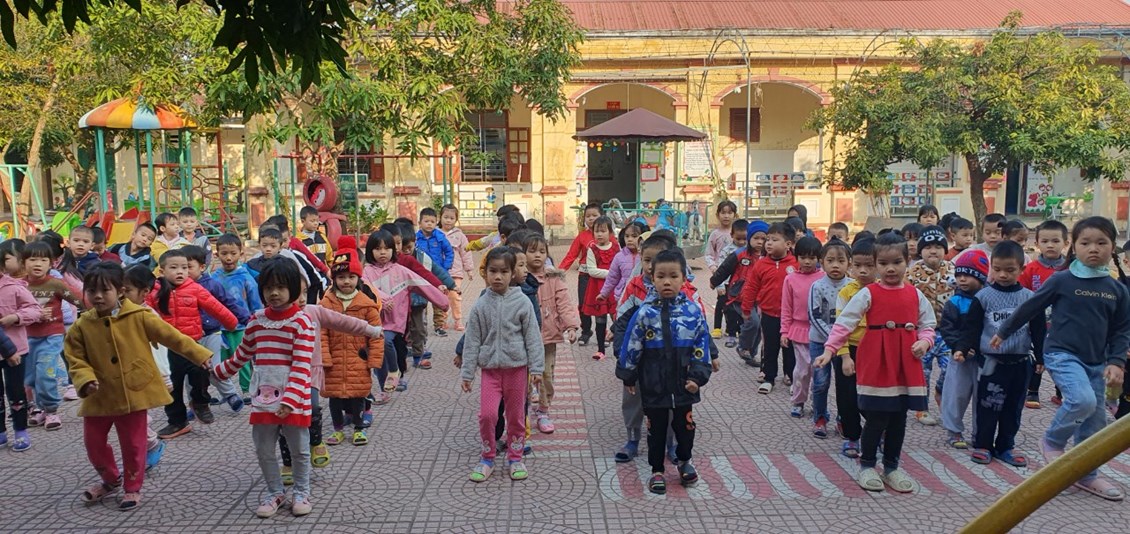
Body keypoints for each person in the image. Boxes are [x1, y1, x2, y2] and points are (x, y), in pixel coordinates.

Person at [992, 216, 1130, 501]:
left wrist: (1117, 362)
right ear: (1074, 246)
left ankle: (1087, 475)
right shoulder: (1062, 280)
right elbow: (1031, 306)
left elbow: (1121, 330)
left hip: (1097, 362)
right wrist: (1004, 331)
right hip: (1062, 354)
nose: (1094, 248)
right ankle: (1053, 440)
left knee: (1095, 423)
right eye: (1086, 243)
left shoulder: (1117, 289)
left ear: (1112, 247)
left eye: (1101, 243)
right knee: (1082, 400)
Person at [65, 262, 213, 511]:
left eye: (105, 290)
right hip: (98, 395)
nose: (98, 296)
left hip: (132, 393)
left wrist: (198, 354)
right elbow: (75, 357)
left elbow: (172, 336)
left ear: (120, 291)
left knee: (133, 444)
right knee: (93, 443)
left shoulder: (139, 316)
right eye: (91, 291)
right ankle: (111, 479)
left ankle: (132, 487)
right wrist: (84, 379)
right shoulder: (82, 325)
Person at [815, 233, 936, 493]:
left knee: (899, 418)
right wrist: (829, 350)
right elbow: (844, 323)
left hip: (905, 363)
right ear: (876, 264)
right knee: (877, 416)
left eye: (897, 262)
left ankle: (892, 467)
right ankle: (867, 465)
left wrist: (925, 342)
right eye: (883, 263)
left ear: (907, 261)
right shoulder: (868, 293)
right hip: (877, 362)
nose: (890, 269)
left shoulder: (915, 294)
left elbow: (928, 325)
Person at [213, 258, 318, 517]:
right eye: (269, 287)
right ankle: (275, 492)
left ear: (294, 288)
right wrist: (217, 372)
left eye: (281, 287)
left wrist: (290, 401)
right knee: (263, 449)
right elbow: (242, 355)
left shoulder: (302, 323)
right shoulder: (256, 321)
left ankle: (301, 492)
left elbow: (301, 365)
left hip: (294, 399)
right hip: (263, 397)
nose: (274, 293)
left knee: (299, 450)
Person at [617, 249, 712, 495]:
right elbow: (633, 345)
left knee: (685, 428)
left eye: (673, 276)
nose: (667, 281)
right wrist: (629, 375)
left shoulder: (692, 312)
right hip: (654, 384)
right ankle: (657, 470)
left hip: (684, 384)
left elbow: (701, 346)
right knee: (656, 430)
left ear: (684, 278)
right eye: (661, 276)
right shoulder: (645, 313)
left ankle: (685, 461)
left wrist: (697, 376)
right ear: (652, 278)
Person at [460, 247, 545, 483]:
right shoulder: (480, 305)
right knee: (488, 415)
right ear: (485, 273)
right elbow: (472, 340)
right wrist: (467, 373)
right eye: (493, 271)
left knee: (516, 416)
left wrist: (537, 368)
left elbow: (533, 338)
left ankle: (515, 457)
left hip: (517, 371)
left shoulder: (522, 302)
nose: (498, 276)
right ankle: (487, 456)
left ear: (512, 274)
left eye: (504, 271)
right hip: (490, 372)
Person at [961, 240, 1045, 467]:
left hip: (1020, 361)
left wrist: (1041, 356)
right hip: (991, 363)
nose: (1002, 275)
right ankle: (983, 444)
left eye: (1009, 270)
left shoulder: (1029, 298)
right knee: (987, 405)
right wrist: (964, 348)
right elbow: (972, 327)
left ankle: (1006, 445)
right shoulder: (983, 297)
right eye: (997, 269)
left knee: (1013, 407)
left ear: (1022, 269)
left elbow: (1038, 329)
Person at [148, 249, 238, 439]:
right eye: (174, 268)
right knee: (172, 387)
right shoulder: (155, 291)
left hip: (192, 345)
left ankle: (200, 403)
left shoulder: (194, 288)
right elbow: (144, 311)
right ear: (162, 271)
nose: (180, 272)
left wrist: (232, 323)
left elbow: (215, 306)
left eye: (185, 267)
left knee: (201, 374)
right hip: (167, 349)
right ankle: (177, 422)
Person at [362, 230, 449, 394]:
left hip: (395, 321)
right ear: (370, 251)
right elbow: (366, 288)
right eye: (378, 249)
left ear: (393, 250)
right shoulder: (367, 271)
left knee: (386, 341)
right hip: (374, 321)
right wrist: (383, 299)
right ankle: (384, 390)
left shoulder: (401, 270)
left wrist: (442, 301)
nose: (382, 252)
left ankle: (394, 370)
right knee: (377, 356)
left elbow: (422, 284)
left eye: (387, 248)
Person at [320, 244, 384, 447]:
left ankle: (358, 428)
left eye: (351, 277)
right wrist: (324, 356)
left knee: (358, 394)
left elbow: (376, 334)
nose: (346, 281)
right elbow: (320, 332)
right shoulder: (326, 304)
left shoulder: (366, 304)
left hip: (359, 359)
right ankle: (338, 429)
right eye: (341, 277)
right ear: (334, 279)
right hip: (334, 360)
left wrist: (374, 359)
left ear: (358, 278)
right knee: (334, 396)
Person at [22, 241, 83, 431]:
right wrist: (31, 314)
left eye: (43, 260)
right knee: (30, 378)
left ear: (52, 263)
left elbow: (79, 300)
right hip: (26, 337)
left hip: (52, 335)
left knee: (45, 372)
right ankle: (37, 408)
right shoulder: (20, 285)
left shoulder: (55, 283)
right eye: (33, 259)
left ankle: (50, 410)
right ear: (24, 262)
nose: (37, 264)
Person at [183, 245, 250, 412]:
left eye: (188, 267)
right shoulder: (176, 289)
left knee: (213, 367)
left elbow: (229, 303)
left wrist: (247, 320)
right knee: (190, 373)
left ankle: (230, 394)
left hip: (212, 332)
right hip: (188, 338)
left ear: (202, 267)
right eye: (181, 267)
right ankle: (195, 404)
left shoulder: (212, 285)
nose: (184, 271)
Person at [121, 265, 173, 470]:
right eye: (120, 289)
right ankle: (146, 447)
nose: (121, 294)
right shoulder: (118, 312)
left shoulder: (147, 316)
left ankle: (151, 445)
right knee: (129, 415)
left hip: (142, 375)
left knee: (135, 414)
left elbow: (159, 349)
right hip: (123, 375)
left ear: (144, 292)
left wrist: (165, 376)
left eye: (127, 290)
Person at [526, 233, 579, 434]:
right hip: (523, 339)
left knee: (546, 375)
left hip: (548, 337)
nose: (537, 255)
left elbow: (564, 304)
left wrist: (571, 326)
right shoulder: (518, 279)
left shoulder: (554, 279)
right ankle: (523, 408)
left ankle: (543, 410)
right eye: (532, 251)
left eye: (542, 251)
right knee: (525, 376)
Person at [938, 249, 989, 449]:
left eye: (968, 275)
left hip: (985, 357)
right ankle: (954, 430)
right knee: (955, 394)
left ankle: (980, 433)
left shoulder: (988, 298)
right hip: (960, 357)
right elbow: (947, 328)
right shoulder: (954, 302)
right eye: (958, 275)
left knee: (983, 398)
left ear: (981, 276)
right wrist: (958, 347)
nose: (962, 279)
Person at [904, 226, 955, 426]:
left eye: (938, 247)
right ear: (920, 250)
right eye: (928, 247)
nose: (933, 251)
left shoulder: (953, 270)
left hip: (947, 331)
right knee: (922, 372)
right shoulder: (911, 273)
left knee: (950, 368)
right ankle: (921, 408)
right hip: (921, 332)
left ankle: (940, 391)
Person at [741, 222, 798, 394]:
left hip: (792, 317)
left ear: (788, 244)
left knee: (790, 347)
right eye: (768, 239)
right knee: (770, 347)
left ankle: (791, 376)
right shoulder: (761, 264)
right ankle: (768, 377)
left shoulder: (796, 264)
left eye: (774, 240)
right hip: (768, 314)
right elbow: (751, 287)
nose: (769, 243)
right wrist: (746, 308)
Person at [1020, 220, 1068, 408]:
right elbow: (1022, 293)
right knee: (1037, 354)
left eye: (1055, 241)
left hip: (1063, 323)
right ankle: (1033, 391)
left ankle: (1061, 392)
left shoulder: (1071, 269)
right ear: (1037, 243)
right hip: (1037, 322)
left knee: (1063, 357)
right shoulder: (1030, 269)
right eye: (1045, 241)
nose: (1050, 245)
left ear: (1065, 243)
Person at [807, 238, 851, 439]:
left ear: (849, 263)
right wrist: (833, 338)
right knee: (820, 382)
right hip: (819, 342)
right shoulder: (817, 286)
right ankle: (820, 418)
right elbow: (814, 316)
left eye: (841, 261)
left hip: (845, 346)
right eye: (830, 260)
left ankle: (844, 419)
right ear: (821, 262)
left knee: (845, 384)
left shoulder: (852, 286)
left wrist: (841, 340)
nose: (835, 265)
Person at [399, 221, 456, 368]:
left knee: (419, 329)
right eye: (402, 248)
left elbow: (434, 271)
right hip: (399, 304)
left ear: (415, 242)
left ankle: (419, 356)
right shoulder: (393, 260)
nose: (406, 251)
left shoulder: (421, 257)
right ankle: (400, 358)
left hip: (417, 301)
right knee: (400, 331)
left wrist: (450, 284)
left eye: (409, 247)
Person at [0, 241, 39, 452]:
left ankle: (20, 431)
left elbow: (34, 310)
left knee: (16, 392)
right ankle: (1, 432)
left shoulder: (14, 287)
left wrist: (16, 317)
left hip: (16, 350)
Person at [780, 236, 823, 418]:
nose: (807, 262)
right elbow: (786, 308)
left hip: (820, 332)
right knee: (803, 370)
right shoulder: (790, 279)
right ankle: (798, 401)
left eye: (812, 258)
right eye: (803, 257)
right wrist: (784, 331)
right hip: (798, 331)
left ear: (819, 258)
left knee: (818, 372)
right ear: (796, 257)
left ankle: (817, 403)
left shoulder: (823, 278)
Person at [214, 233, 263, 393]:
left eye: (233, 253)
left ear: (241, 253)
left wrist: (255, 323)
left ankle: (246, 390)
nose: (229, 258)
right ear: (217, 254)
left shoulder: (246, 278)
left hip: (241, 327)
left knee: (243, 359)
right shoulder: (214, 278)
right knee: (220, 360)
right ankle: (225, 391)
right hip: (219, 328)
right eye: (224, 253)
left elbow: (255, 303)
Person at [719, 220, 768, 363]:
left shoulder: (768, 257)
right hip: (741, 296)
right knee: (752, 322)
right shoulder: (740, 254)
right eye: (756, 238)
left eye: (763, 239)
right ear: (749, 239)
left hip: (761, 298)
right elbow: (724, 268)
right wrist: (716, 282)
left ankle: (750, 354)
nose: (760, 242)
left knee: (759, 326)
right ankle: (743, 346)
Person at [559, 202, 602, 345]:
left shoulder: (609, 236)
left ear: (602, 216)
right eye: (588, 216)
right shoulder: (582, 236)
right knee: (583, 304)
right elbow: (571, 255)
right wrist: (558, 272)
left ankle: (602, 333)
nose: (591, 218)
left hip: (602, 277)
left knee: (601, 304)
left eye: (595, 215)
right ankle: (586, 331)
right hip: (585, 276)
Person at [579, 216, 620, 360]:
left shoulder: (616, 247)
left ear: (610, 232)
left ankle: (619, 348)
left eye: (603, 231)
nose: (599, 234)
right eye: (597, 231)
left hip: (614, 289)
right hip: (598, 289)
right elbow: (592, 270)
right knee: (600, 319)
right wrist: (612, 274)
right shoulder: (592, 249)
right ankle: (601, 349)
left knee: (618, 317)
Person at [706, 219, 749, 348]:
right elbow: (722, 268)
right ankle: (728, 332)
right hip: (728, 285)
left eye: (744, 239)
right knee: (728, 308)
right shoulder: (727, 251)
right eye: (738, 239)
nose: (741, 242)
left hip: (744, 286)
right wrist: (719, 285)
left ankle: (741, 333)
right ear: (732, 235)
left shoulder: (751, 251)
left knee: (742, 309)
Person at [705, 200, 738, 338]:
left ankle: (732, 328)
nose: (726, 216)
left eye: (730, 213)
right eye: (723, 213)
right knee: (721, 301)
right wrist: (714, 268)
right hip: (722, 274)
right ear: (718, 215)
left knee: (735, 302)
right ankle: (717, 328)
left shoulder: (739, 233)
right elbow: (708, 254)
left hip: (737, 274)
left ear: (735, 215)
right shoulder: (715, 234)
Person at [439, 204, 473, 332]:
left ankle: (457, 320)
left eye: (452, 218)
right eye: (446, 217)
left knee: (455, 296)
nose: (448, 220)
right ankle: (441, 321)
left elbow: (466, 252)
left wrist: (469, 269)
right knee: (441, 297)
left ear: (456, 220)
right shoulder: (435, 234)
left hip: (455, 272)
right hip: (439, 272)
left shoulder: (460, 236)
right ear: (440, 217)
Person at [600, 222, 645, 305]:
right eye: (627, 236)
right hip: (623, 296)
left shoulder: (646, 256)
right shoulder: (619, 256)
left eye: (634, 236)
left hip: (642, 297)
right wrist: (604, 293)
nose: (630, 239)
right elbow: (612, 277)